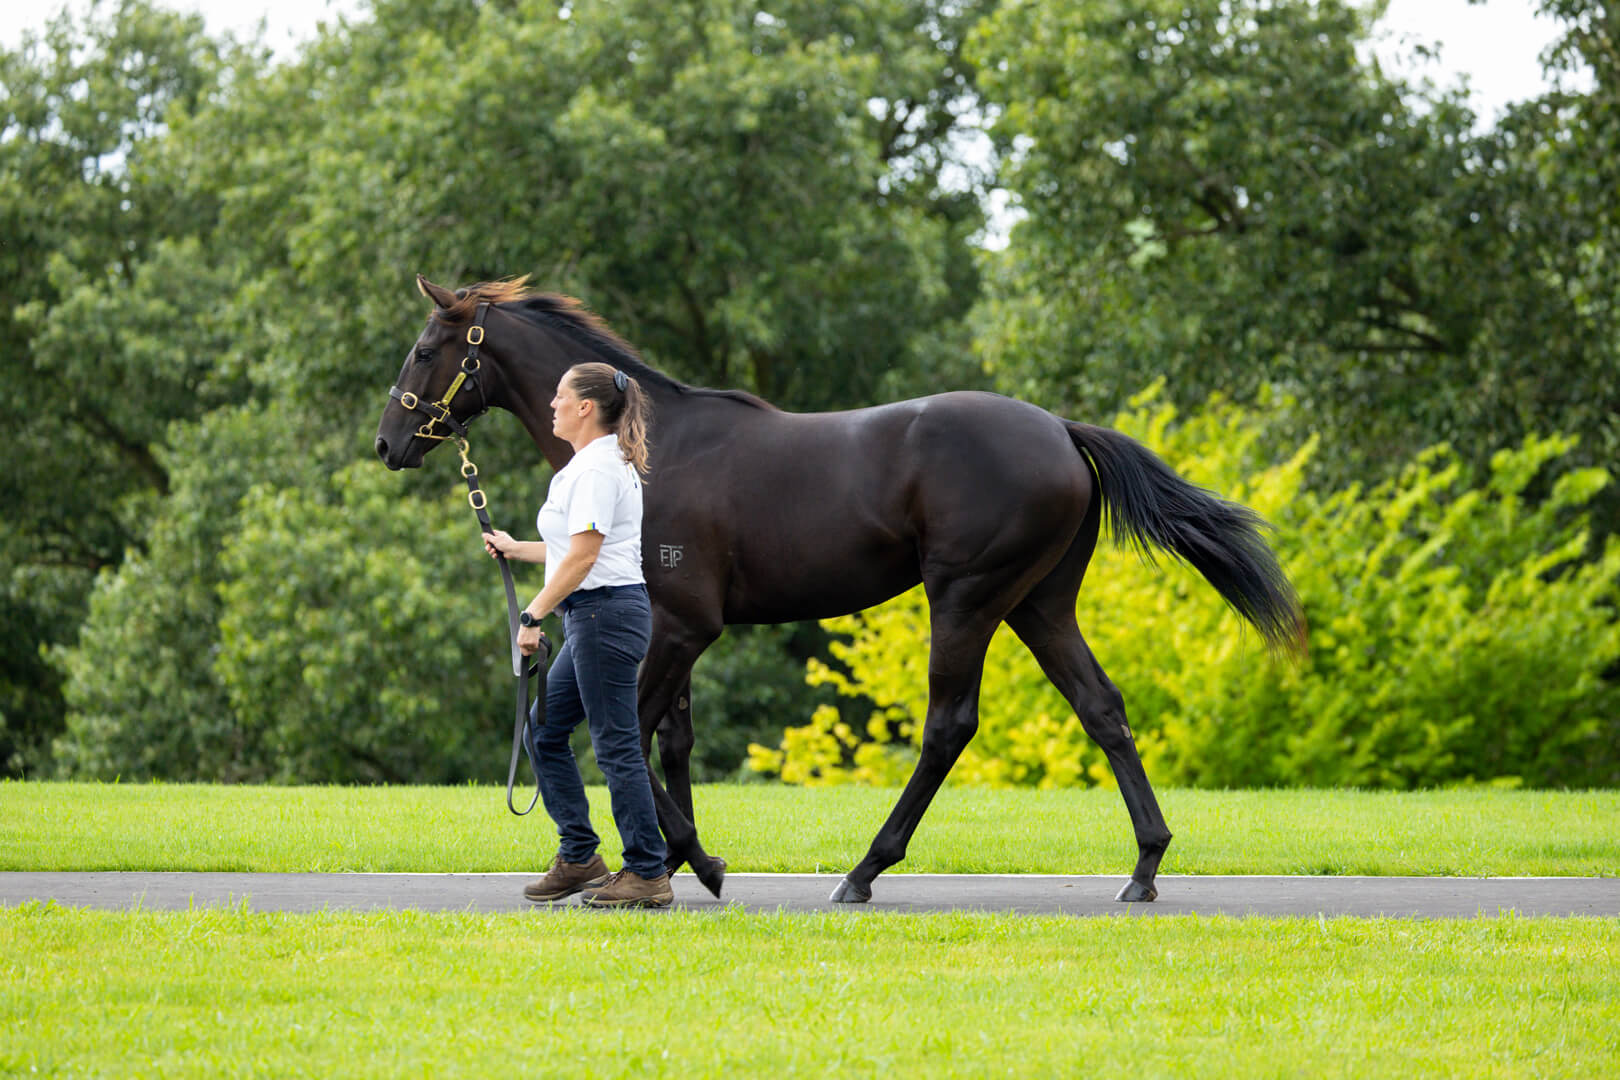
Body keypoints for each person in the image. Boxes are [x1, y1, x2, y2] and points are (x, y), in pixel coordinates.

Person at [482, 361, 671, 908]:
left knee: (614, 746)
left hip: (602, 615)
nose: (552, 405)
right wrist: (518, 549)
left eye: (560, 396)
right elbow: (578, 546)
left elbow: (585, 556)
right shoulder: (593, 464)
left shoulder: (594, 470)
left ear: (585, 407)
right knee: (543, 733)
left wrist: (532, 615)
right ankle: (581, 855)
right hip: (597, 613)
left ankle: (646, 872)